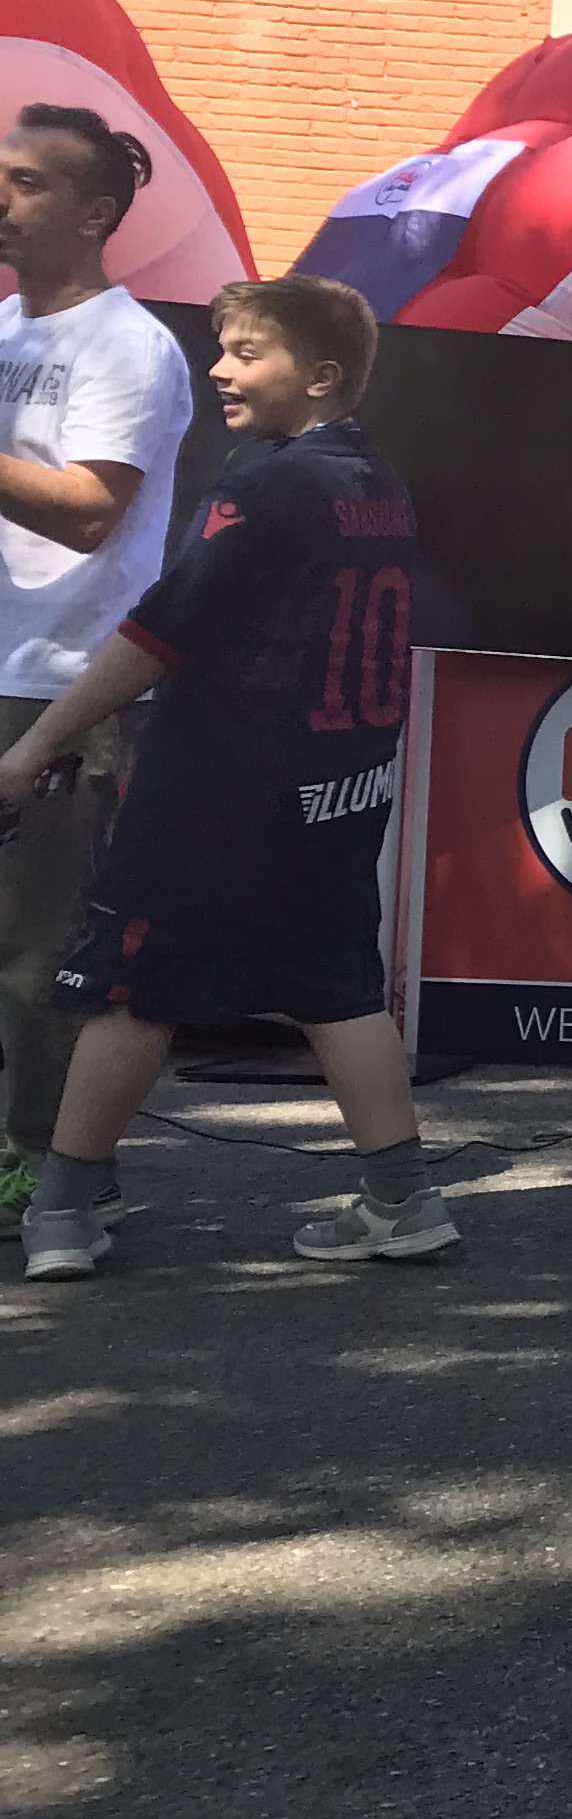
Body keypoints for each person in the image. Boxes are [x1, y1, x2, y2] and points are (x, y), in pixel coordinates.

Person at [1, 277, 447, 1278]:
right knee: (338, 984)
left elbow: (157, 632)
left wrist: (38, 744)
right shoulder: (378, 481)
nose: (219, 371)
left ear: (320, 376)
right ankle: (403, 1197)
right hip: (339, 779)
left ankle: (63, 1212)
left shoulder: (265, 483)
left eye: (248, 353)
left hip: (221, 779)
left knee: (130, 981)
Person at [0, 108, 195, 1226]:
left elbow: (88, 513)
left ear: (94, 214)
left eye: (28, 182)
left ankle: (56, 1173)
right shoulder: (5, 330)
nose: (3, 197)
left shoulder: (127, 345)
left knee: (40, 950)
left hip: (63, 683)